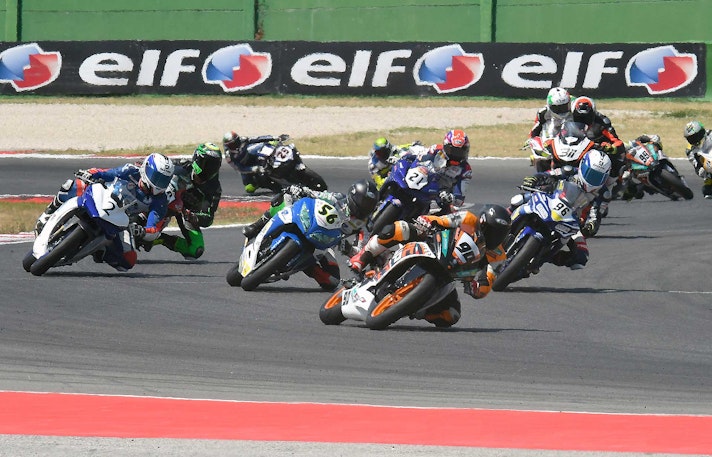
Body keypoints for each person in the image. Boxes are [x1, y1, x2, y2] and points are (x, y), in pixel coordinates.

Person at [347, 205, 511, 328]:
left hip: (450, 275)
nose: (493, 236)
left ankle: (416, 307)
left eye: (499, 234)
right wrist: (427, 222)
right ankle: (363, 256)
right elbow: (443, 220)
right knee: (400, 229)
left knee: (451, 316)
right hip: (434, 245)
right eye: (490, 230)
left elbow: (487, 280)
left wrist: (478, 286)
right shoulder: (468, 219)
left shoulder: (497, 255)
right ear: (481, 222)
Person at [35, 152, 175, 271]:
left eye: (164, 180)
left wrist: (142, 231)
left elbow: (153, 227)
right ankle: (47, 215)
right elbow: (106, 173)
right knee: (73, 185)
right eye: (157, 177)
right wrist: (90, 173)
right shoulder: (131, 170)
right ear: (146, 169)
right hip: (104, 199)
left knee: (128, 261)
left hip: (121, 222)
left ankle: (100, 250)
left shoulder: (160, 200)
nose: (159, 183)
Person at [241, 179, 379, 290]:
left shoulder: (364, 225)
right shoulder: (338, 198)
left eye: (369, 205)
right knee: (285, 197)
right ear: (353, 195)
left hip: (326, 243)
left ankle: (307, 265)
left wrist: (348, 249)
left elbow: (361, 251)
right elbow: (317, 195)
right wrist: (301, 190)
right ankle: (258, 224)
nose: (364, 207)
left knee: (332, 281)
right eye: (363, 202)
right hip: (308, 221)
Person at [516, 149, 612, 268]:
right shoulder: (569, 171)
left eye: (598, 177)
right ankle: (503, 223)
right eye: (591, 174)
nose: (593, 179)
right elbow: (547, 174)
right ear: (583, 166)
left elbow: (596, 215)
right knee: (519, 199)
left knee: (582, 256)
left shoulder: (603, 194)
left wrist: (590, 226)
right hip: (550, 202)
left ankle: (543, 258)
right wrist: (535, 179)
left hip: (573, 223)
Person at [150, 143, 223, 259]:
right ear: (197, 159)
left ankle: (161, 239)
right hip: (162, 201)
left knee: (196, 249)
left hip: (186, 212)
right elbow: (156, 167)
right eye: (207, 164)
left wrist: (195, 217)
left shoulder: (214, 189)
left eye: (214, 166)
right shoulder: (179, 166)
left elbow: (208, 218)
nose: (209, 169)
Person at [569, 96, 624, 236]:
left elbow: (617, 142)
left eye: (586, 117)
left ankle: (604, 198)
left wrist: (611, 147)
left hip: (599, 153)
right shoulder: (568, 121)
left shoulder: (602, 122)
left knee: (618, 161)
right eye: (579, 117)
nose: (583, 120)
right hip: (577, 152)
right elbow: (559, 135)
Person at [222, 131, 291, 193]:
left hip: (253, 156)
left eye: (234, 143)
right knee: (249, 188)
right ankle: (273, 186)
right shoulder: (229, 157)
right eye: (231, 145)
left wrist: (275, 138)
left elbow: (258, 138)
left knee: (264, 147)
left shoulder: (242, 140)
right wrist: (254, 169)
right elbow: (239, 168)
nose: (234, 146)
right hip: (247, 168)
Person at [683, 120, 712, 198]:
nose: (694, 140)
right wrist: (702, 170)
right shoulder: (690, 150)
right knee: (707, 191)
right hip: (708, 167)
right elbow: (696, 166)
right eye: (691, 138)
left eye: (695, 136)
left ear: (701, 132)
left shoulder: (710, 134)